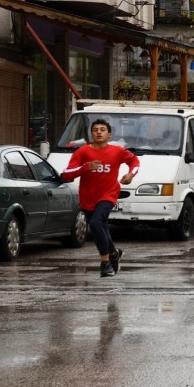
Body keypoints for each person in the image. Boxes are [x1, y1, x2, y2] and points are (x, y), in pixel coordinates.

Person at [61, 119, 140, 277]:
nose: (98, 132)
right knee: (100, 227)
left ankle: (105, 263)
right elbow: (66, 174)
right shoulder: (83, 152)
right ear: (91, 134)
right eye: (95, 129)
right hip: (88, 197)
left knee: (97, 222)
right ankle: (114, 253)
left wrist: (131, 174)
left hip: (108, 194)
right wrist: (85, 168)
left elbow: (135, 161)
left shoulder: (117, 151)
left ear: (109, 134)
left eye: (102, 129)